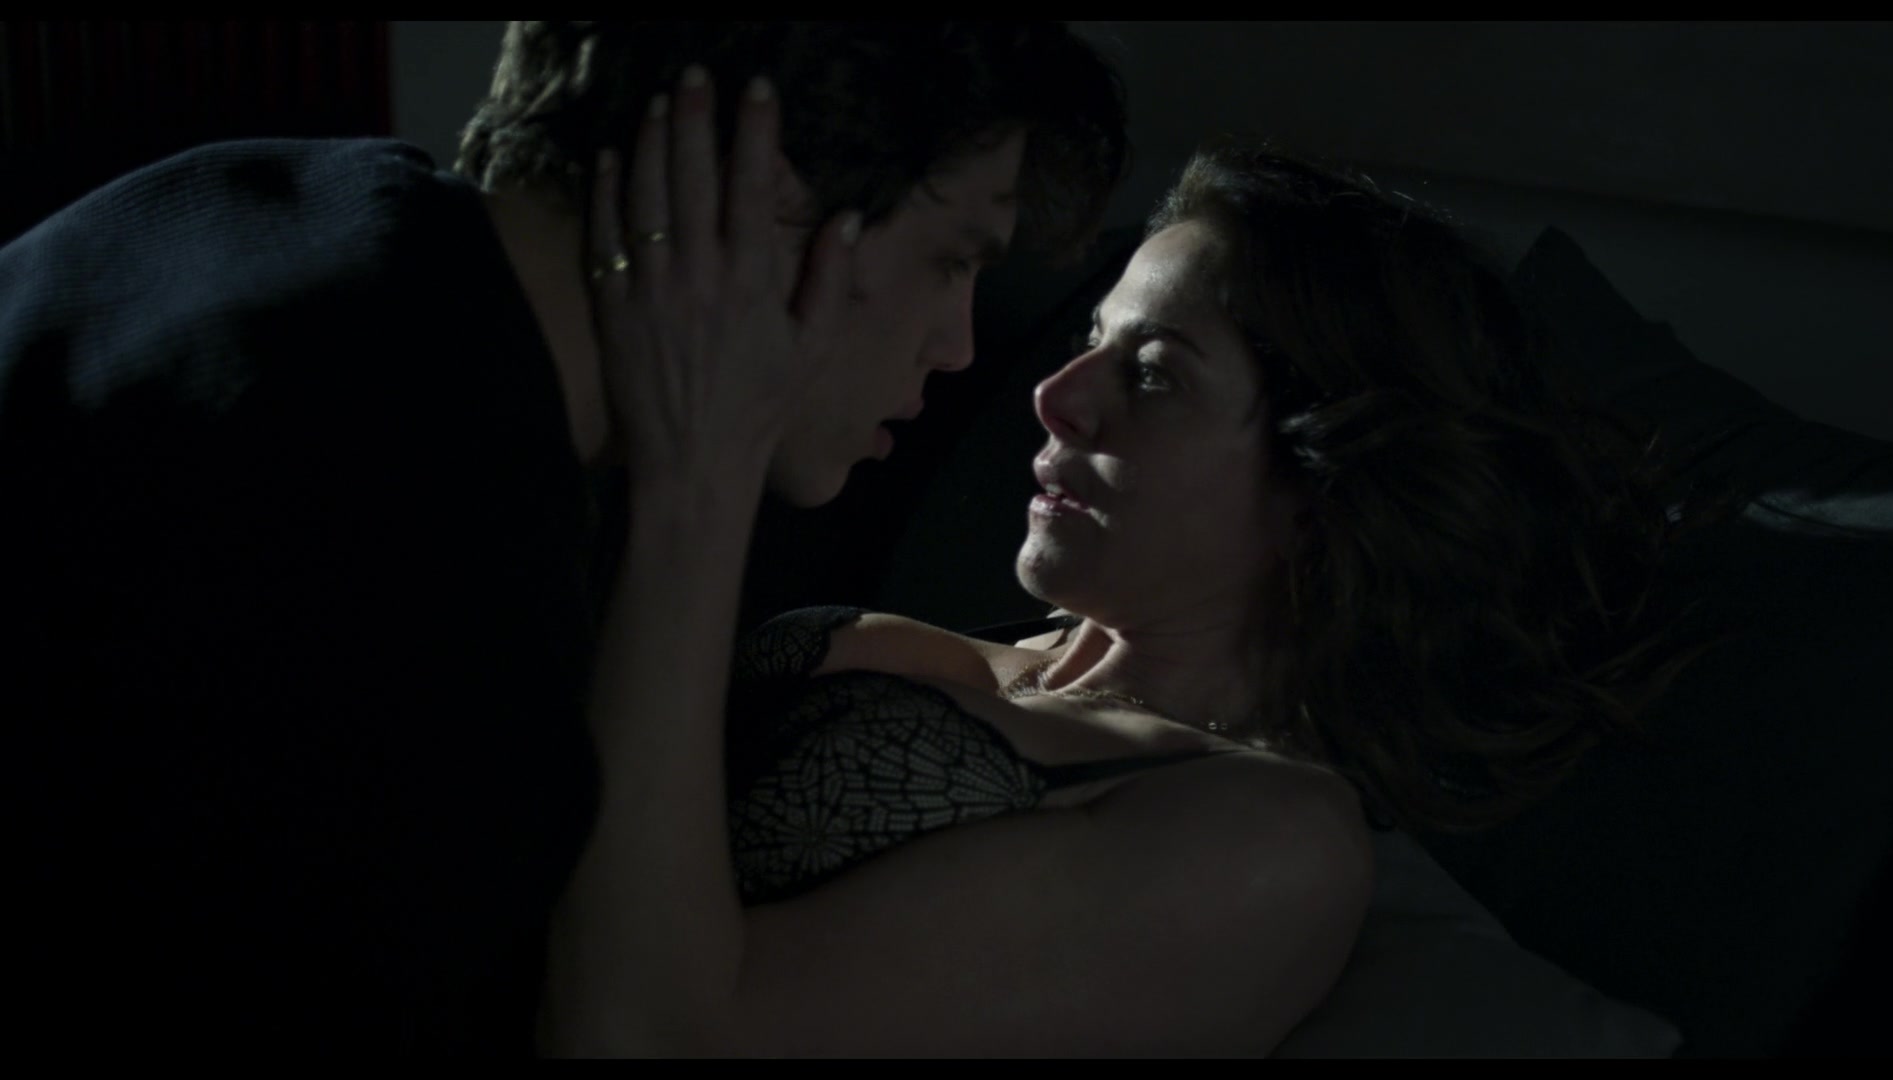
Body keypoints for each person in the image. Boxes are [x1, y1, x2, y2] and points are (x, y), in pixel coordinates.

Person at [0, 22, 1126, 1052]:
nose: (957, 345)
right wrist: (700, 492)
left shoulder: (244, 202)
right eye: (953, 258)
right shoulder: (413, 519)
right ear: (761, 196)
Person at [545, 122, 1713, 1055]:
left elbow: (652, 1038)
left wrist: (693, 484)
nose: (1055, 396)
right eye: (1092, 339)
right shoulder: (979, 653)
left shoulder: (1269, 843)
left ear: (1324, 487)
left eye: (1152, 375)